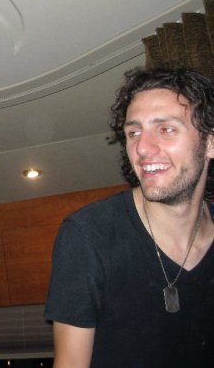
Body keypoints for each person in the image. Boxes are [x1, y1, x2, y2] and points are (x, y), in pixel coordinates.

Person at [44, 67, 214, 367]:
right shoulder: (88, 235)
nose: (142, 148)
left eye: (166, 129)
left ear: (210, 144)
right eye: (134, 132)